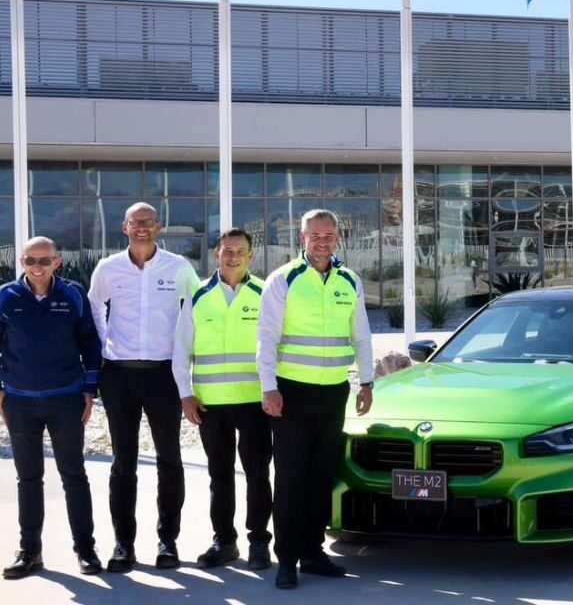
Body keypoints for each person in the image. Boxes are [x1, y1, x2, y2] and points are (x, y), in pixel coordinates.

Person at [258, 209, 374, 590]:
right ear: (301, 236)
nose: (322, 241)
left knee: (322, 474)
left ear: (338, 237)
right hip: (291, 392)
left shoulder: (349, 280)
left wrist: (367, 382)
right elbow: (267, 338)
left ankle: (313, 553)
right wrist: (268, 387)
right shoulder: (284, 279)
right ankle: (287, 559)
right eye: (315, 235)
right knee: (291, 478)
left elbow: (361, 336)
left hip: (333, 391)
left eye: (328, 235)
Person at [88, 202, 201, 572]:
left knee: (170, 460)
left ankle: (167, 541)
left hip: (163, 376)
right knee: (124, 462)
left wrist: (186, 368)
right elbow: (93, 308)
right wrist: (104, 349)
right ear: (125, 227)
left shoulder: (179, 268)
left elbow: (193, 315)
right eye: (136, 222)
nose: (142, 228)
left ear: (159, 227)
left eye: (148, 223)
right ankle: (123, 544)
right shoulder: (108, 268)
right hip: (119, 376)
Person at [0, 237, 103, 579]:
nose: (37, 266)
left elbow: (90, 342)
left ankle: (85, 550)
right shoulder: (5, 296)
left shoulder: (73, 294)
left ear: (57, 261)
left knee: (74, 475)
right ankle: (30, 552)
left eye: (44, 260)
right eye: (30, 260)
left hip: (65, 399)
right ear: (23, 263)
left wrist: (89, 390)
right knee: (28, 478)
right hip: (20, 402)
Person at [171, 227, 272, 571]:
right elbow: (181, 349)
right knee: (220, 475)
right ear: (216, 253)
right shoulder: (198, 296)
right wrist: (185, 394)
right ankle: (224, 541)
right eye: (227, 250)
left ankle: (259, 541)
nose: (233, 256)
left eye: (239, 251)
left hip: (254, 403)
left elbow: (276, 346)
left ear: (251, 255)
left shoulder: (264, 294)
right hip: (210, 403)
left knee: (258, 474)